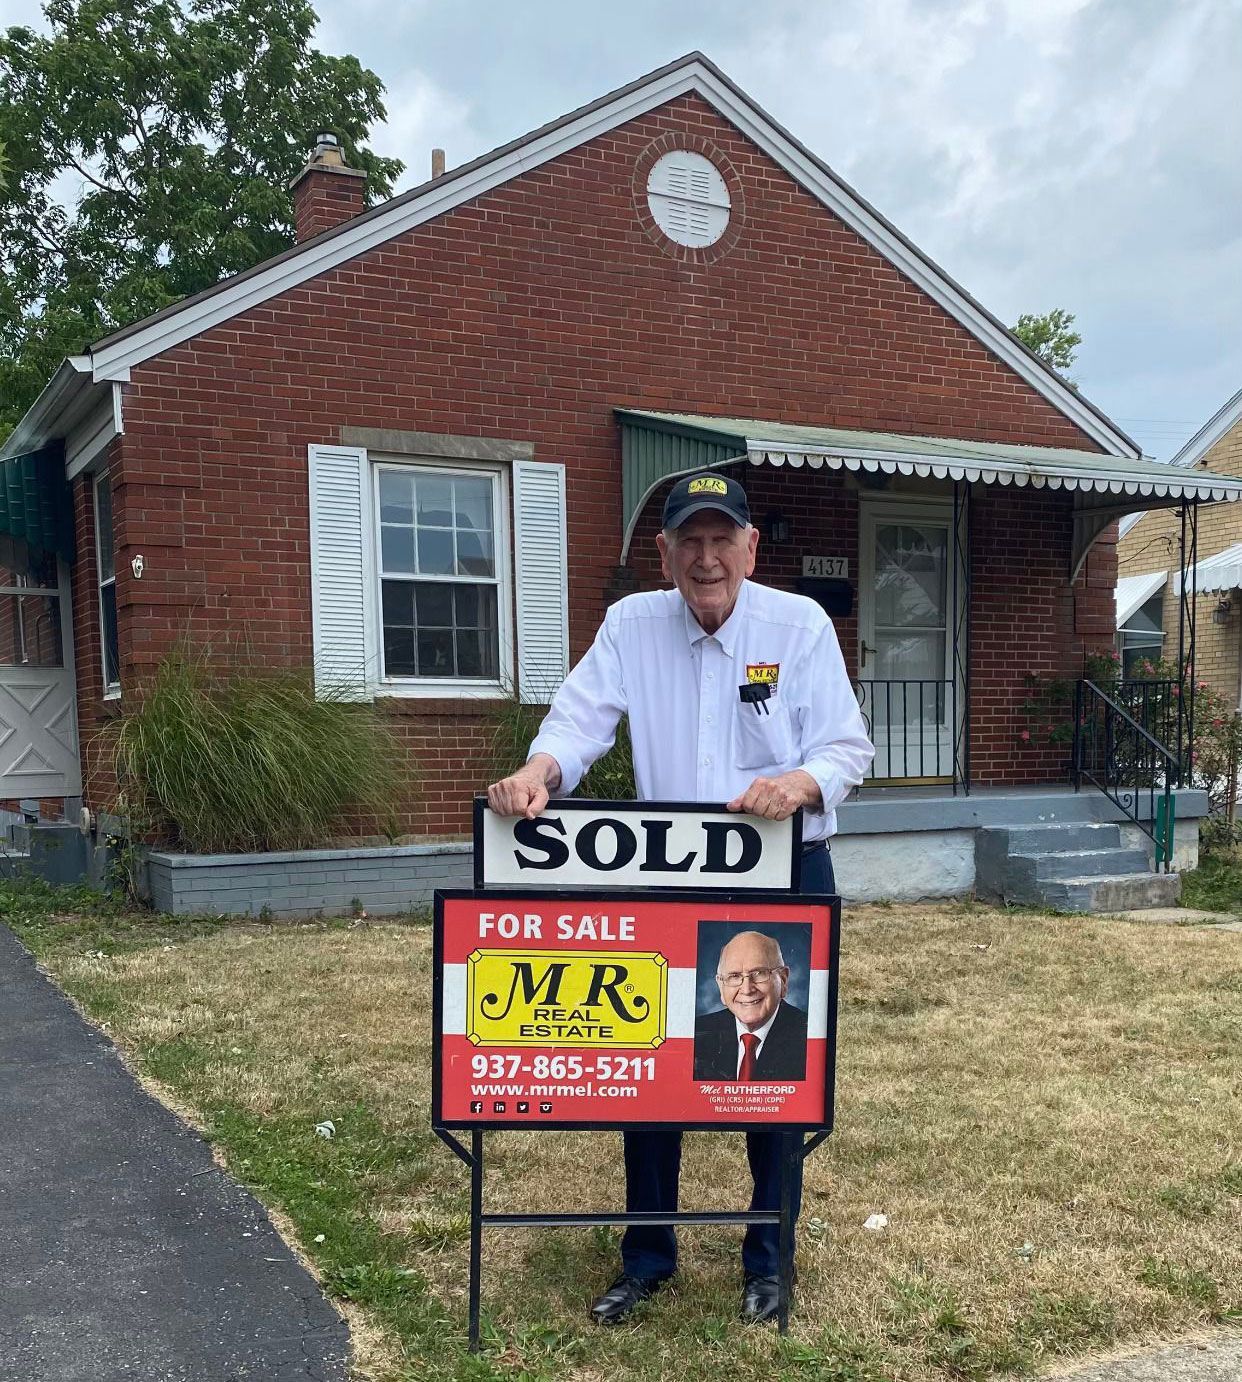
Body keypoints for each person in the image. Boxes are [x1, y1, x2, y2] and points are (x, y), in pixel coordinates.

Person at [487, 469, 873, 1326]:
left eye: (721, 540)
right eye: (688, 543)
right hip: (667, 878)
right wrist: (538, 773)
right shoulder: (632, 623)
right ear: (663, 554)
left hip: (784, 874)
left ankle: (769, 1263)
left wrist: (800, 782)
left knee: (773, 1081)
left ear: (750, 548)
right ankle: (648, 1254)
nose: (706, 559)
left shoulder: (798, 625)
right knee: (649, 1069)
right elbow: (579, 721)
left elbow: (848, 746)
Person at [694, 931, 807, 1082]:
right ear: (721, 986)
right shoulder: (697, 1034)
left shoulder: (810, 1037)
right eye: (734, 976)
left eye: (759, 973)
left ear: (783, 980)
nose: (747, 989)